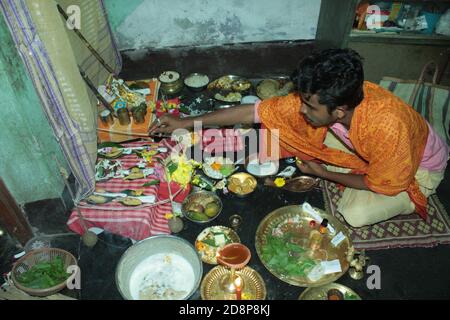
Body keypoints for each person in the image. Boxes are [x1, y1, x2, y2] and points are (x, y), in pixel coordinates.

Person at [149, 48, 449, 227]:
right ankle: (347, 160)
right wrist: (185, 123)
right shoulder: (334, 95)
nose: (302, 109)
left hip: (415, 167)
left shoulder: (387, 128)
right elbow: (252, 112)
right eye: (303, 100)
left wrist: (324, 172)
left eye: (310, 105)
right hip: (359, 142)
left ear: (340, 110)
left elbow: (380, 183)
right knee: (270, 140)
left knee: (353, 212)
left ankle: (411, 192)